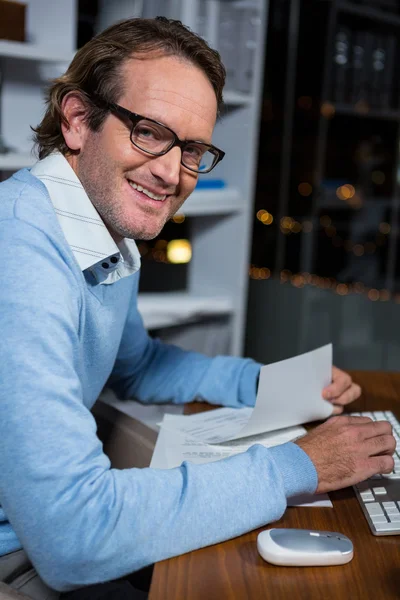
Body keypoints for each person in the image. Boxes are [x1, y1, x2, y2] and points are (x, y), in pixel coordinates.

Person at [0, 16, 395, 600]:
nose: (171, 171)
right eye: (149, 132)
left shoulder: (95, 226)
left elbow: (137, 365)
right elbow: (74, 535)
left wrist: (269, 385)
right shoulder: (21, 255)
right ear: (79, 120)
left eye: (192, 149)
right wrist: (300, 466)